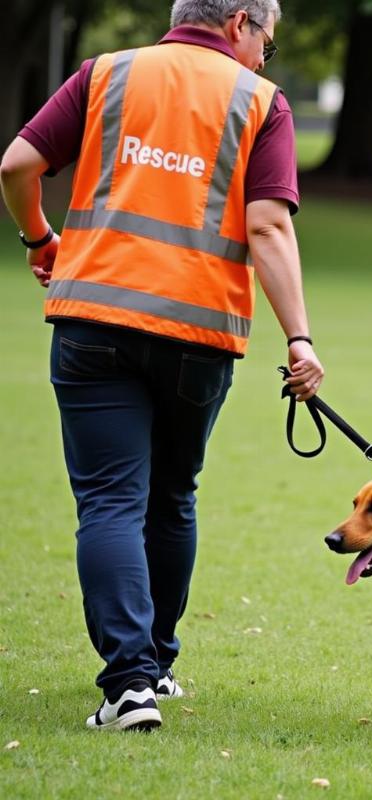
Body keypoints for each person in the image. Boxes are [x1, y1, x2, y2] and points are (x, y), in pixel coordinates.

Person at [0, 0, 323, 732]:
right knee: (172, 497)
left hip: (92, 320)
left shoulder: (106, 73)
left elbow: (18, 164)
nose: (264, 58)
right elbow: (267, 225)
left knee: (111, 501)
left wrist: (39, 239)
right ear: (241, 20)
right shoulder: (262, 104)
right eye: (266, 41)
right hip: (200, 332)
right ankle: (157, 667)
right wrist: (298, 338)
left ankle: (128, 687)